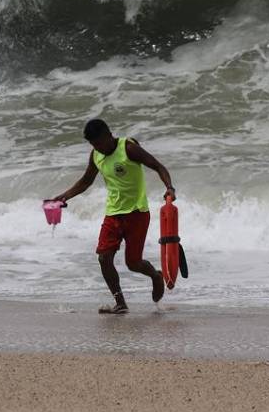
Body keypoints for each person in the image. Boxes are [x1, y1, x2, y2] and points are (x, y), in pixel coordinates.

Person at [52, 119, 176, 314]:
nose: (98, 148)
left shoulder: (128, 148)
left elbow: (158, 166)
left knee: (133, 263)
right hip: (113, 213)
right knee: (103, 258)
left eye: (100, 143)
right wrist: (65, 196)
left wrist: (169, 188)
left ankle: (156, 276)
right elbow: (86, 181)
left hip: (137, 213)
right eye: (94, 145)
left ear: (109, 135)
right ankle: (120, 302)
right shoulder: (96, 155)